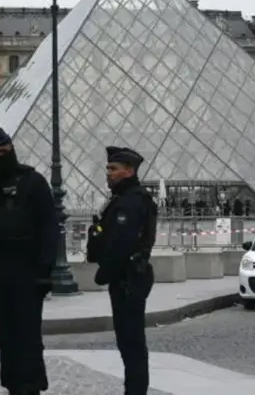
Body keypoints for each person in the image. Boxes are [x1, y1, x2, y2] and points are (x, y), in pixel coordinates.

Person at [0, 128, 57, 395]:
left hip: (27, 267)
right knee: (5, 336)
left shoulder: (33, 181)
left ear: (12, 151)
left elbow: (49, 227)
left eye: (3, 152)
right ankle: (14, 386)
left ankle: (32, 387)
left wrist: (45, 270)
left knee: (28, 334)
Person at [86, 146, 157, 395]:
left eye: (113, 169)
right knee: (129, 342)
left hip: (128, 279)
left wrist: (103, 274)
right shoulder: (126, 198)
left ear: (129, 171)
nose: (108, 173)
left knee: (131, 343)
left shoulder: (131, 202)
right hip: (129, 277)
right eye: (108, 168)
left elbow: (120, 245)